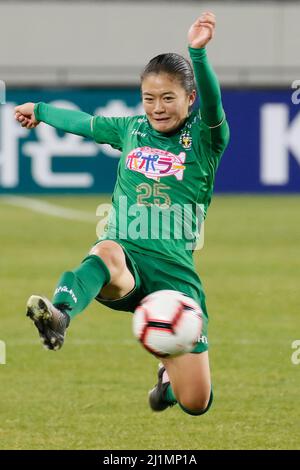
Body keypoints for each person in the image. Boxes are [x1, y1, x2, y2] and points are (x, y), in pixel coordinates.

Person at [15, 11, 229, 416]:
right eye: (149, 98)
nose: (157, 108)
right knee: (106, 250)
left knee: (196, 403)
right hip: (127, 256)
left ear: (189, 98)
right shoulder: (131, 129)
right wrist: (40, 110)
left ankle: (167, 383)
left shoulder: (205, 138)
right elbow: (85, 123)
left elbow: (215, 101)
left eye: (168, 98)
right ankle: (60, 313)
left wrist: (197, 54)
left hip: (175, 276)